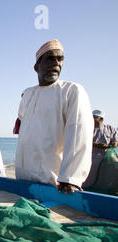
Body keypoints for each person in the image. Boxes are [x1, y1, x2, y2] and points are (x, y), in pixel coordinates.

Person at [14, 40, 94, 193]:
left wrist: (70, 178)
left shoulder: (72, 91)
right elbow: (23, 121)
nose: (56, 63)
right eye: (50, 58)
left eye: (60, 58)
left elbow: (78, 134)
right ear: (36, 67)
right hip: (23, 181)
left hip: (54, 184)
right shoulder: (28, 94)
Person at [82, 109, 118, 188]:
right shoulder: (87, 128)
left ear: (101, 119)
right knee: (88, 180)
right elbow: (82, 141)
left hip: (107, 159)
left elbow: (116, 141)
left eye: (94, 117)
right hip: (91, 158)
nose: (92, 119)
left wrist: (114, 143)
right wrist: (96, 145)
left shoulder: (110, 129)